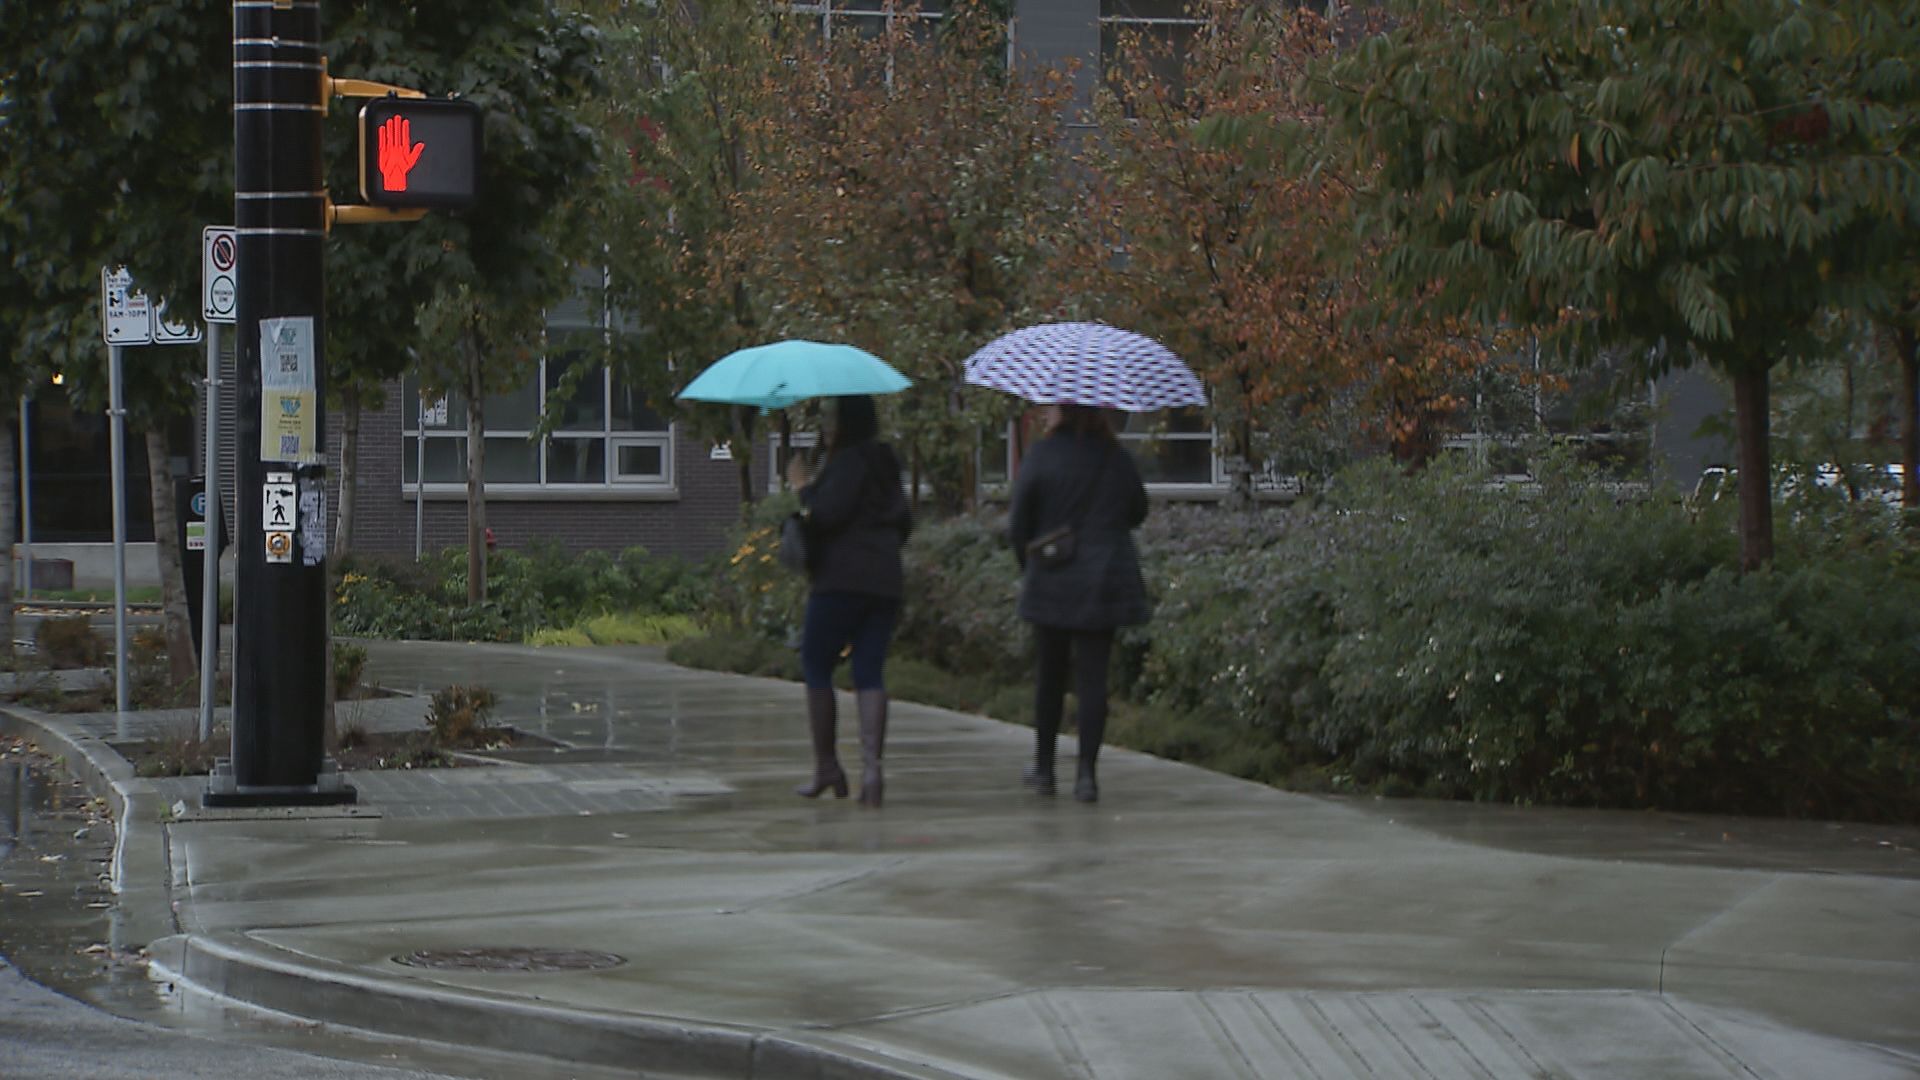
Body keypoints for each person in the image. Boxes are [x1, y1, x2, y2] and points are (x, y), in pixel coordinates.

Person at [1007, 404, 1150, 802]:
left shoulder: (1041, 455)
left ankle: (1045, 768)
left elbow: (1018, 523)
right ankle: (1087, 775)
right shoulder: (1116, 457)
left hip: (1052, 577)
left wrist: (1029, 565)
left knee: (1049, 679)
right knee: (1093, 681)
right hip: (1103, 580)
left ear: (1062, 409)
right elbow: (1138, 510)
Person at [786, 395, 912, 807]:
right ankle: (873, 772)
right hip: (884, 581)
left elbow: (826, 515)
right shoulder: (886, 463)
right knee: (869, 671)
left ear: (846, 422)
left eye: (831, 417)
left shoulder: (848, 462)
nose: (826, 425)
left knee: (816, 662)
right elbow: (905, 522)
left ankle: (827, 766)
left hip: (840, 580)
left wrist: (803, 488)